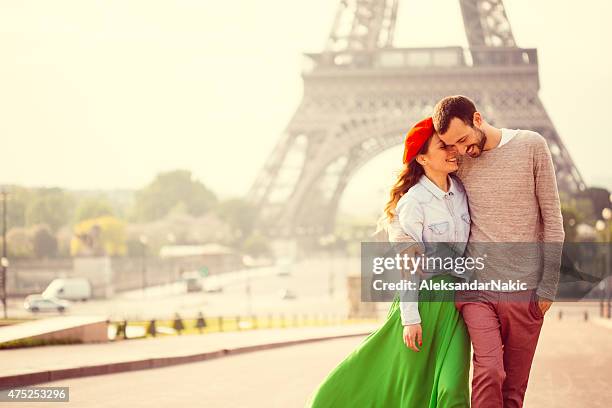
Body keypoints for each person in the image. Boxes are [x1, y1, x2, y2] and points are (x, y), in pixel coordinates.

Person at [305, 117, 471, 407]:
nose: (452, 150)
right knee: (412, 391)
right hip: (422, 301)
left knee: (452, 389)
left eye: (452, 144)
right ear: (422, 157)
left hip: (457, 303)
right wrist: (410, 319)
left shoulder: (462, 191)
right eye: (442, 146)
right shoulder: (413, 202)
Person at [432, 95, 564, 408]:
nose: (462, 151)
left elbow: (553, 222)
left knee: (513, 393)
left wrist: (547, 289)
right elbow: (415, 189)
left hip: (526, 293)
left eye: (463, 139)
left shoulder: (532, 145)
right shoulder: (459, 161)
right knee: (489, 371)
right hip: (477, 290)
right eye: (453, 146)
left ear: (477, 119)